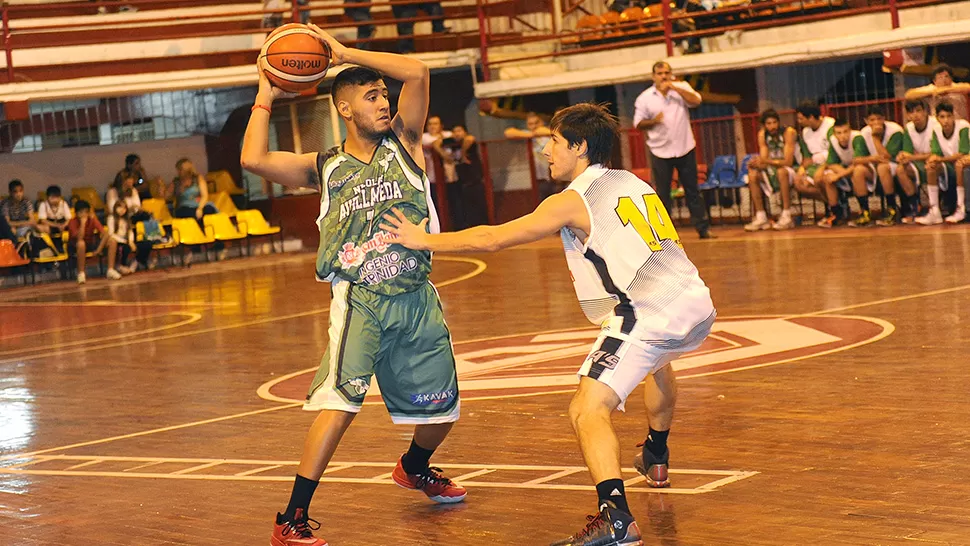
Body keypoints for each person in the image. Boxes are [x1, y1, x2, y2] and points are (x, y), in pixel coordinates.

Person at [382, 102, 715, 546]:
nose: (546, 151)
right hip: (697, 302)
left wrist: (424, 239)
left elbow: (494, 238)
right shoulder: (633, 180)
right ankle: (656, 450)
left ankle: (615, 517)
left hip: (649, 310)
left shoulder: (572, 200)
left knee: (585, 408)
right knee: (656, 360)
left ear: (579, 147)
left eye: (555, 141)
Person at [240, 24, 466, 546]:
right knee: (339, 402)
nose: (385, 100)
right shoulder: (325, 168)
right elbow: (254, 160)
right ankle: (290, 518)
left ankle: (414, 466)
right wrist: (264, 94)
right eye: (371, 95)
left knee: (443, 410)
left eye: (384, 94)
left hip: (416, 299)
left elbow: (418, 70)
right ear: (344, 109)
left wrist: (343, 53)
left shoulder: (406, 142)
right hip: (360, 300)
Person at [633, 61, 714, 239]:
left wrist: (676, 89)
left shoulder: (681, 88)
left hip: (685, 148)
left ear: (671, 74)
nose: (663, 76)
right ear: (653, 76)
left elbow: (696, 100)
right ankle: (664, 234)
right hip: (660, 152)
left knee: (692, 190)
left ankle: (702, 229)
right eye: (660, 73)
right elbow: (637, 123)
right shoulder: (644, 98)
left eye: (666, 72)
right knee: (663, 194)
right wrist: (653, 121)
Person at [744, 109, 798, 231]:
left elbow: (788, 162)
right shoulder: (762, 134)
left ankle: (786, 215)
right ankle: (761, 217)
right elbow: (764, 160)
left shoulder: (788, 132)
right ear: (764, 125)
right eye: (769, 123)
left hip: (793, 169)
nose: (772, 126)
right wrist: (756, 164)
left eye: (774, 122)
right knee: (752, 175)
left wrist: (765, 161)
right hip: (773, 168)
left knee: (782, 172)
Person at [850, 106, 904, 227]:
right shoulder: (863, 133)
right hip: (873, 165)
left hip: (894, 166)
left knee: (882, 167)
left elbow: (886, 157)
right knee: (858, 170)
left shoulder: (895, 131)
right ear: (866, 121)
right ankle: (864, 212)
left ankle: (892, 210)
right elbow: (857, 159)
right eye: (872, 120)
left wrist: (875, 138)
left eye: (879, 119)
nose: (876, 123)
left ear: (884, 119)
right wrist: (871, 159)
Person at [917, 101, 970, 224]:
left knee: (959, 164)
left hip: (964, 161)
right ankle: (934, 210)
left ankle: (961, 207)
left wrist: (940, 159)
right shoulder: (936, 130)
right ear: (937, 119)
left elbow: (963, 153)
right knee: (931, 167)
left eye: (948, 116)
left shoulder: (963, 127)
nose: (946, 120)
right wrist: (933, 160)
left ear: (953, 117)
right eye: (942, 117)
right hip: (950, 165)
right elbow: (936, 153)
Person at [896, 99, 939, 223]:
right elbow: (907, 153)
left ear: (926, 112)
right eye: (911, 112)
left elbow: (936, 153)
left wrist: (912, 157)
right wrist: (903, 157)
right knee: (900, 169)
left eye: (919, 111)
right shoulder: (909, 128)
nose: (915, 115)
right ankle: (915, 207)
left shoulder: (935, 125)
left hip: (939, 162)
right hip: (920, 162)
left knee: (932, 164)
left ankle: (937, 208)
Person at [816, 118, 860, 228]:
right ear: (835, 134)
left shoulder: (857, 138)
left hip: (865, 172)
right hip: (847, 172)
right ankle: (836, 214)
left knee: (859, 171)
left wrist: (839, 175)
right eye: (839, 133)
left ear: (850, 130)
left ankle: (864, 212)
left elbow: (859, 162)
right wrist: (839, 173)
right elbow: (831, 163)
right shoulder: (833, 141)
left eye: (845, 132)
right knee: (827, 177)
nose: (843, 136)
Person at [793, 102, 835, 215]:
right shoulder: (805, 132)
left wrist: (822, 168)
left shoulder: (831, 126)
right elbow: (807, 157)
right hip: (815, 165)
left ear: (811, 117)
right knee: (799, 183)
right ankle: (833, 204)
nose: (798, 121)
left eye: (801, 118)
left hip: (833, 163)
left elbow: (835, 153)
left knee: (819, 179)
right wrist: (802, 168)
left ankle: (835, 209)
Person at [505, 112, 556, 199]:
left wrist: (542, 132)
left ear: (542, 122)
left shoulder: (549, 134)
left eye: (536, 123)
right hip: (538, 180)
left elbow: (555, 132)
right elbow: (508, 132)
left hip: (555, 177)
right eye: (530, 124)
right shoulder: (527, 134)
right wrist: (532, 135)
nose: (534, 126)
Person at [904, 63, 970, 121]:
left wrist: (946, 90)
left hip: (959, 122)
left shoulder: (955, 86)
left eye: (946, 76)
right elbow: (908, 94)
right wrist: (932, 92)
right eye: (940, 77)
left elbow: (968, 87)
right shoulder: (932, 88)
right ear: (934, 81)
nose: (944, 79)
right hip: (937, 125)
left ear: (951, 78)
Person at [66, 200, 106, 285]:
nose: (84, 215)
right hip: (74, 246)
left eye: (86, 212)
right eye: (81, 212)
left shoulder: (92, 220)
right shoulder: (72, 222)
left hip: (89, 244)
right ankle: (81, 273)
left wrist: (99, 249)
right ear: (76, 213)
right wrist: (83, 224)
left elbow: (105, 234)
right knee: (81, 243)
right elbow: (79, 238)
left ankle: (110, 270)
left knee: (111, 240)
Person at [37, 185, 72, 252]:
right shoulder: (43, 204)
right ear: (47, 198)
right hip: (50, 224)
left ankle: (65, 248)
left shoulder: (64, 203)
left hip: (62, 223)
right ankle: (50, 247)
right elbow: (43, 220)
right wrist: (57, 225)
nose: (55, 200)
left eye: (57, 197)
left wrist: (64, 225)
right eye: (52, 198)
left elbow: (68, 219)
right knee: (42, 227)